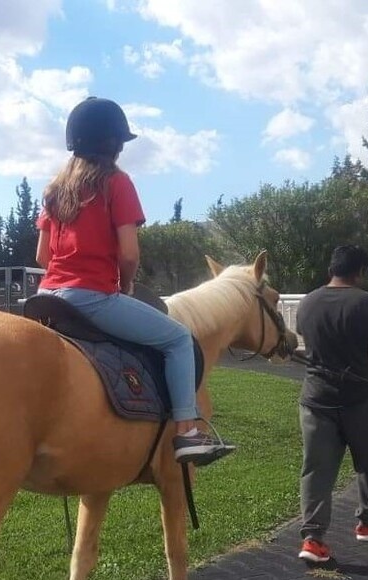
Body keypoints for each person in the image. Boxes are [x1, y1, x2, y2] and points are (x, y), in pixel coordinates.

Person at [35, 96, 233, 466]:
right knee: (177, 339)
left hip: (47, 296)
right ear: (114, 144)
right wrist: (123, 286)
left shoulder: (54, 190)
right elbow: (129, 253)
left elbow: (42, 257)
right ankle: (187, 433)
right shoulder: (116, 182)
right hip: (90, 297)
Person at [296, 245, 368, 563]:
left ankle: (313, 539)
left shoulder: (307, 302)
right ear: (360, 272)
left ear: (332, 269)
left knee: (316, 470)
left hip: (315, 400)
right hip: (359, 399)